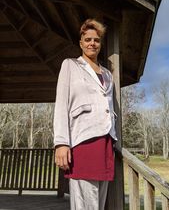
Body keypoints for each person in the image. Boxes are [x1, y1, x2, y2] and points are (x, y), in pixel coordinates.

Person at [53, 19, 117, 210]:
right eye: (88, 39)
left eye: (96, 40)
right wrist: (61, 142)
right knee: (84, 204)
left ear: (100, 44)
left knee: (99, 202)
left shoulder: (107, 74)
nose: (92, 43)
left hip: (106, 141)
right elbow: (61, 105)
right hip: (83, 140)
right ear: (81, 42)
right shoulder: (70, 65)